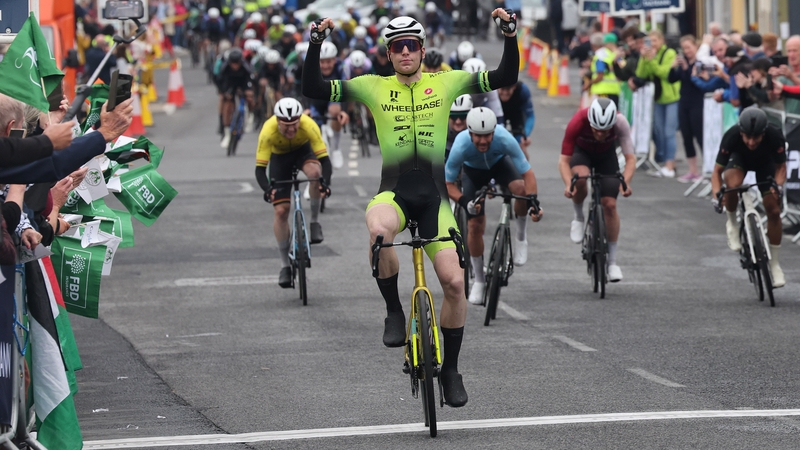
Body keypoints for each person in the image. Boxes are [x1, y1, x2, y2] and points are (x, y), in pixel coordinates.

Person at [302, 11, 520, 408]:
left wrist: (509, 34)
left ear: (422, 49)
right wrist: (316, 43)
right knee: (379, 231)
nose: (405, 52)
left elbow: (504, 76)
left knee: (454, 284)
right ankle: (393, 311)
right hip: (394, 194)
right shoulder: (373, 86)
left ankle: (451, 370)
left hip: (435, 200)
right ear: (388, 53)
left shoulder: (447, 81)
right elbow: (313, 87)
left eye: (412, 45)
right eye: (397, 46)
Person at [445, 107, 541, 305]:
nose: (483, 141)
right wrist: (464, 201)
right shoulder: (461, 144)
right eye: (478, 136)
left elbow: (528, 173)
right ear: (470, 133)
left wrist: (533, 200)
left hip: (500, 166)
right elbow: (447, 183)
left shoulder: (504, 138)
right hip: (473, 173)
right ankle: (480, 281)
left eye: (487, 136)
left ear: (494, 132)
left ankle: (521, 237)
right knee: (474, 226)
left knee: (521, 190)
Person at [256, 98, 332, 287]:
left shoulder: (309, 125)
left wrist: (324, 184)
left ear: (300, 119)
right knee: (281, 211)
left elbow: (325, 161)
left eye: (294, 125)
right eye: (286, 125)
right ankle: (285, 266)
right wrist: (268, 190)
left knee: (315, 174)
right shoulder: (267, 131)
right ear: (277, 121)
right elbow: (260, 170)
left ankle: (314, 222)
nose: (291, 129)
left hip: (303, 152)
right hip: (279, 158)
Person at [559, 98, 635, 282]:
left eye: (605, 130)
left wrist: (625, 183)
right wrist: (569, 184)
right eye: (596, 130)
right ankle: (578, 216)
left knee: (610, 205)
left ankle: (613, 262)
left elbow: (630, 159)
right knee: (580, 178)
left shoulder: (620, 122)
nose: (600, 134)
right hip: (582, 153)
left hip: (606, 156)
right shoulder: (578, 121)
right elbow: (563, 161)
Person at [711, 108, 786, 288]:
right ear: (741, 132)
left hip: (765, 164)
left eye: (756, 138)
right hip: (739, 161)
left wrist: (777, 187)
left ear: (763, 133)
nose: (751, 142)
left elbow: (781, 168)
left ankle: (775, 264)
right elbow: (717, 172)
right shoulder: (732, 136)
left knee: (774, 211)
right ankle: (733, 223)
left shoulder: (774, 135)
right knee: (733, 185)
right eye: (747, 137)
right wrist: (717, 195)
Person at [635, 30, 680, 178]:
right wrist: (643, 58)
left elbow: (664, 73)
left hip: (671, 97)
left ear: (661, 40)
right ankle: (665, 162)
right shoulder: (650, 55)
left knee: (669, 132)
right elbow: (641, 74)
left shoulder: (669, 53)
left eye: (655, 40)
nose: (652, 44)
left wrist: (652, 60)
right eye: (649, 41)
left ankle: (670, 164)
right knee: (659, 131)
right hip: (658, 98)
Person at [305, 41, 349, 169]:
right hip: (316, 99)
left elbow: (346, 91)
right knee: (312, 123)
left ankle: (336, 148)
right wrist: (307, 108)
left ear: (335, 60)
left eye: (329, 62)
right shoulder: (310, 67)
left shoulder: (341, 68)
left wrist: (344, 111)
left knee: (335, 111)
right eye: (322, 62)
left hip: (334, 97)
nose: (325, 66)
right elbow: (304, 89)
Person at [670, 35, 704, 182]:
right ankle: (693, 170)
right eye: (684, 48)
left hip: (697, 102)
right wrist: (673, 67)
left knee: (700, 135)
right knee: (686, 136)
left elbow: (696, 81)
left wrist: (686, 68)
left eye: (689, 47)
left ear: (696, 47)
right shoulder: (683, 62)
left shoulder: (700, 63)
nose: (687, 51)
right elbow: (672, 79)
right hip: (684, 102)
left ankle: (707, 168)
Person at [217, 48, 256, 148]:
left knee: (250, 98)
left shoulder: (246, 67)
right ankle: (226, 133)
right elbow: (220, 81)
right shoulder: (225, 68)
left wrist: (249, 91)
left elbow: (251, 80)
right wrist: (224, 92)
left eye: (237, 63)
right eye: (232, 63)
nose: (235, 66)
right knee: (227, 105)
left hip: (243, 84)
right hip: (230, 85)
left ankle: (250, 115)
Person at [498, 81, 534, 159]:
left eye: (508, 90)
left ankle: (523, 163)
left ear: (514, 87)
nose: (505, 93)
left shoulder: (523, 90)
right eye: (502, 89)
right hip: (498, 113)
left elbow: (530, 115)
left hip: (516, 114)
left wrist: (525, 135)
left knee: (520, 144)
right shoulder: (492, 91)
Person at [587, 33, 621, 107]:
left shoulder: (600, 55)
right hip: (614, 90)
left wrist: (589, 83)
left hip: (602, 91)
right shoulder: (612, 54)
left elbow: (600, 75)